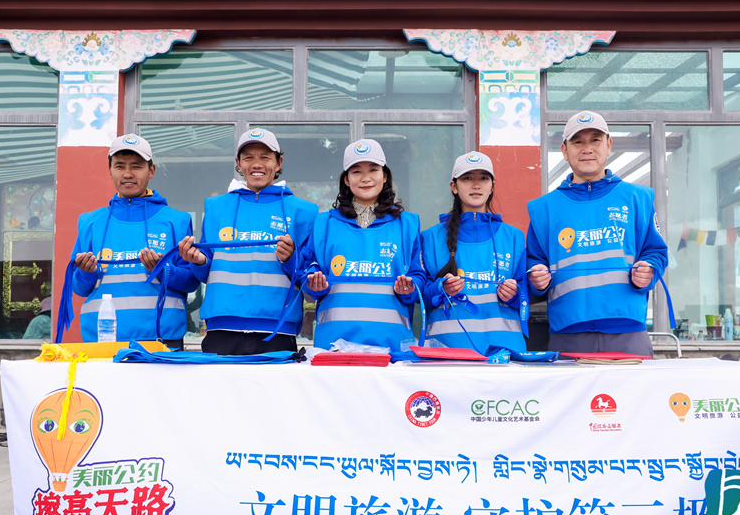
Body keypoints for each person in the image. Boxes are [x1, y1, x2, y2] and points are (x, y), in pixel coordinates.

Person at [525, 111, 668, 356]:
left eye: (595, 140)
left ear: (609, 145)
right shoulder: (543, 208)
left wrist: (649, 269)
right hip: (567, 332)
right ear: (564, 150)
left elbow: (656, 252)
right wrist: (536, 277)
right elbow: (533, 261)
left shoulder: (638, 198)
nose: (587, 149)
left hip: (628, 330)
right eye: (578, 142)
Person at [178, 128, 318, 355]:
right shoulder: (216, 207)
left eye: (265, 157)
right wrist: (198, 261)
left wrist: (291, 259)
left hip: (277, 331)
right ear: (238, 163)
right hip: (221, 327)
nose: (257, 164)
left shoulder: (304, 211)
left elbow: (307, 276)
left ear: (279, 163)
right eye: (249, 157)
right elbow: (207, 270)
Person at [70, 134, 198, 348]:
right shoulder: (90, 222)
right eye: (120, 166)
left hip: (162, 340)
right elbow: (79, 288)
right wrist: (86, 272)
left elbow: (191, 282)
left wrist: (162, 270)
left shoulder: (177, 220)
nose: (128, 174)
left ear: (151, 171)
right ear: (110, 170)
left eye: (136, 166)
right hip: (103, 338)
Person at [303, 139, 428, 351]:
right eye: (356, 171)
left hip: (392, 347)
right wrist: (313, 284)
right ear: (346, 179)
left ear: (385, 176)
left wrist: (409, 288)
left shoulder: (407, 224)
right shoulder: (324, 223)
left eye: (373, 169)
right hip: (333, 346)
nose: (366, 178)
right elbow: (307, 269)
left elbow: (419, 277)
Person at [421, 151, 527, 353]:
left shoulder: (514, 237)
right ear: (454, 186)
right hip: (447, 352)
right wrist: (440, 288)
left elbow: (526, 295)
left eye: (483, 178)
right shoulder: (431, 237)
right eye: (467, 178)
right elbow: (421, 297)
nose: (476, 185)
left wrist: (514, 295)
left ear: (492, 186)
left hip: (505, 352)